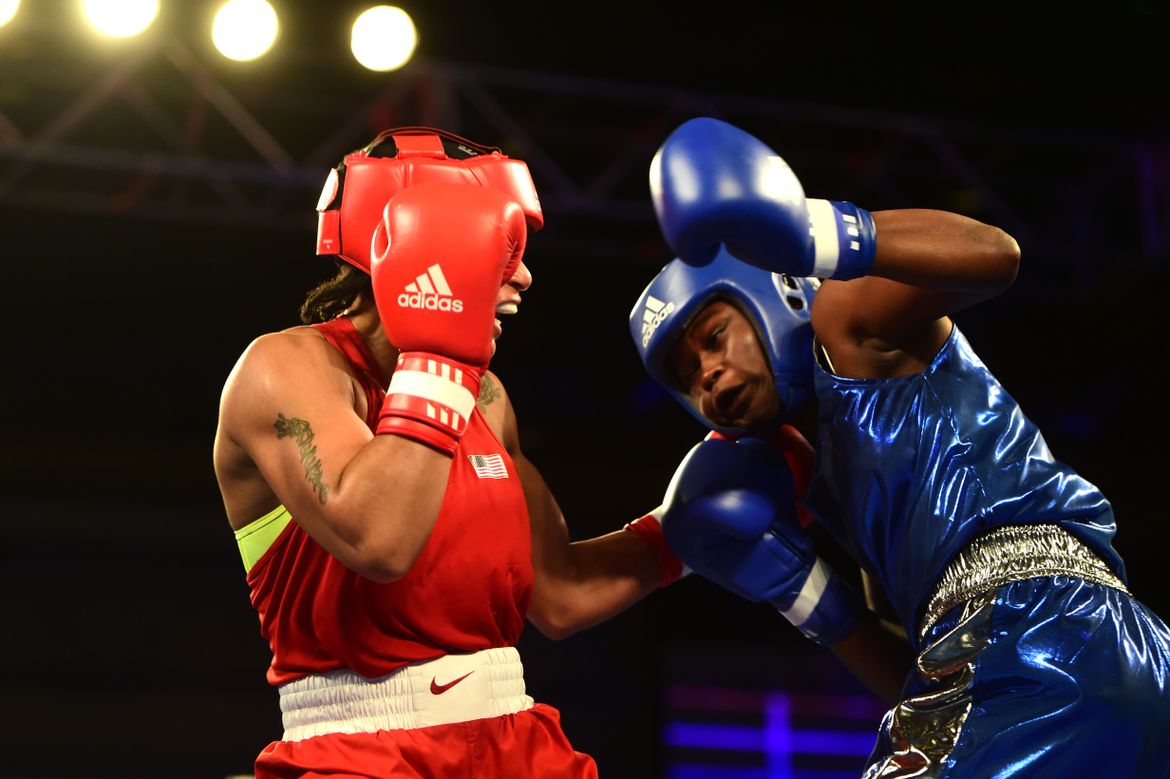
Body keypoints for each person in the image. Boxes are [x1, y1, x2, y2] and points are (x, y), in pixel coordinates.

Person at [631, 117, 1170, 777]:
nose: (707, 374)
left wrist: (813, 231)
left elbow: (997, 254)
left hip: (1037, 629)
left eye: (714, 337)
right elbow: (917, 681)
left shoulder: (843, 322)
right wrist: (811, 600)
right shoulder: (824, 480)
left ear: (775, 295)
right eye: (687, 375)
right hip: (1113, 646)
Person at [212, 126, 688, 778]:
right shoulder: (285, 368)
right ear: (427, 238)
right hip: (358, 750)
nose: (522, 273)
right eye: (503, 243)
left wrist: (687, 533)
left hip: (517, 739)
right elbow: (378, 538)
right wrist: (437, 352)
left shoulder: (486, 395)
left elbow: (557, 593)